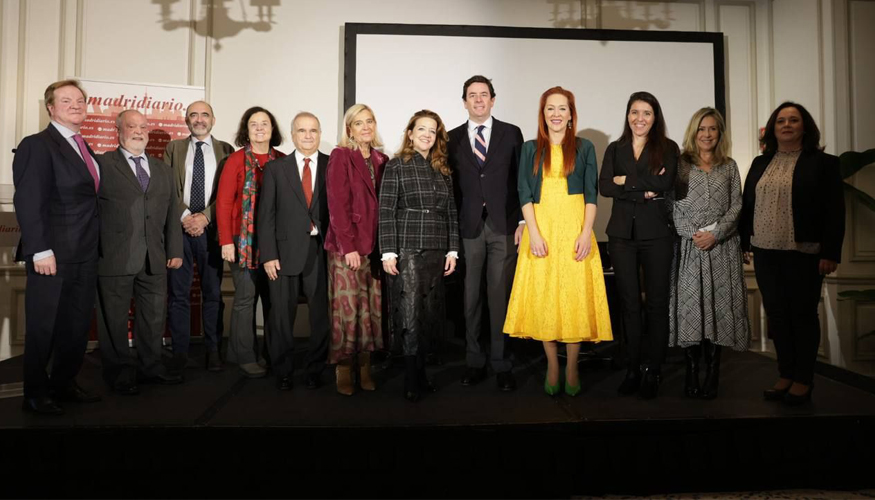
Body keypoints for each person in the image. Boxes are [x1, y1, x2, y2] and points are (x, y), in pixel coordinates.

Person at [503, 86, 612, 396]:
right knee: (546, 300)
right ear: (543, 113)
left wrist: (585, 233)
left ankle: (573, 365)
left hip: (575, 228)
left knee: (574, 299)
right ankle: (552, 364)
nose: (555, 113)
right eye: (550, 108)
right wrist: (533, 232)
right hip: (542, 230)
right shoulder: (529, 149)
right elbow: (524, 192)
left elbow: (591, 194)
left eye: (562, 108)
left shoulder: (585, 147)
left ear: (570, 114)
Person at [740, 102, 845, 406]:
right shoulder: (761, 162)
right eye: (781, 121)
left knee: (802, 316)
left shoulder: (824, 163)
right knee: (777, 315)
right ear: (773, 128)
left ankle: (803, 378)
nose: (786, 125)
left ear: (804, 126)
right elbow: (749, 203)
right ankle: (785, 373)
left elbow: (834, 212)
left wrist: (830, 252)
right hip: (765, 250)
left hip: (805, 252)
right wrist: (745, 241)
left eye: (793, 120)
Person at [13, 79, 102, 414]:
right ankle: (35, 394)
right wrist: (39, 249)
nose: (76, 104)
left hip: (86, 253)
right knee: (43, 327)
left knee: (76, 327)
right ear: (50, 107)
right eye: (67, 100)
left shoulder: (84, 146)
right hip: (52, 255)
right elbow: (28, 200)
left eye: (80, 99)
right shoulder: (37, 145)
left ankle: (63, 383)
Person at [95, 109, 184, 394]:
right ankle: (119, 373)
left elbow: (172, 214)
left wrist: (175, 249)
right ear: (118, 130)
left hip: (155, 258)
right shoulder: (102, 165)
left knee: (153, 317)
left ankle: (151, 368)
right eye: (132, 126)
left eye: (143, 126)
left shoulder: (163, 170)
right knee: (114, 321)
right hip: (114, 257)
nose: (139, 131)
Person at [599, 91, 678, 400]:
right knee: (630, 306)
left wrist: (625, 182)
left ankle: (653, 370)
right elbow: (605, 186)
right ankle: (632, 368)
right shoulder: (615, 148)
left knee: (657, 305)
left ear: (655, 117)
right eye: (634, 112)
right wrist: (642, 184)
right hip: (621, 236)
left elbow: (665, 183)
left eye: (646, 113)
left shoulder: (668, 148)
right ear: (627, 115)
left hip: (657, 235)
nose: (639, 118)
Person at [667, 107, 750, 399]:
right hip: (690, 248)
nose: (707, 134)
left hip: (721, 249)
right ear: (694, 132)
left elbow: (737, 205)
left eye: (712, 129)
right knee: (692, 309)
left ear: (719, 133)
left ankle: (713, 372)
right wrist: (694, 234)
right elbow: (672, 204)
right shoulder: (680, 165)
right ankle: (691, 371)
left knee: (717, 308)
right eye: (702, 129)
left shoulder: (729, 166)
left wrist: (715, 234)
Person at [448, 75, 524, 392]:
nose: (478, 100)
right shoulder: (451, 138)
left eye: (484, 95)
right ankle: (474, 361)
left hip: (503, 226)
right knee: (470, 298)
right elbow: (450, 188)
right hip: (468, 228)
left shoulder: (511, 133)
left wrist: (522, 221)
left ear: (493, 100)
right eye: (472, 95)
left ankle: (501, 362)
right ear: (464, 101)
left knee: (499, 296)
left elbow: (522, 180)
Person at [379, 109, 460, 402]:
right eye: (421, 129)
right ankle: (411, 379)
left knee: (429, 314)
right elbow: (386, 210)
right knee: (411, 313)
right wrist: (388, 251)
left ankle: (422, 373)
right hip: (409, 246)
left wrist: (453, 249)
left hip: (438, 247)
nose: (426, 134)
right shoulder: (397, 165)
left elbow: (451, 211)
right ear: (410, 133)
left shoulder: (443, 168)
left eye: (432, 130)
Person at [258, 112, 331, 391]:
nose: (308, 136)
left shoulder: (331, 164)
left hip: (320, 251)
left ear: (320, 132)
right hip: (283, 253)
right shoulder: (277, 169)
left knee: (320, 316)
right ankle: (283, 370)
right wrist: (268, 255)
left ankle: (315, 369)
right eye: (302, 131)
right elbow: (267, 215)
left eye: (313, 130)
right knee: (281, 317)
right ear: (293, 134)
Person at [164, 101, 234, 375]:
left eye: (204, 114)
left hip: (212, 229)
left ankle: (213, 350)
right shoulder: (174, 148)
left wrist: (205, 216)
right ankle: (180, 352)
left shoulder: (226, 150)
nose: (199, 119)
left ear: (213, 120)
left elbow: (229, 194)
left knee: (213, 293)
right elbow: (167, 188)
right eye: (193, 114)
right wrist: (186, 217)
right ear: (186, 120)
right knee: (178, 294)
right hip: (180, 231)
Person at [324, 104, 390, 395]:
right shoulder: (341, 156)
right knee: (347, 313)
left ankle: (365, 366)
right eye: (358, 123)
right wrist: (348, 246)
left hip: (374, 247)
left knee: (371, 311)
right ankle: (344, 368)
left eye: (369, 121)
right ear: (349, 128)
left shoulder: (381, 158)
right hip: (346, 248)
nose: (365, 127)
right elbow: (337, 206)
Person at [216, 106, 285, 379]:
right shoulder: (235, 160)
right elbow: (223, 203)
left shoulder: (281, 160)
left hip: (272, 242)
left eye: (264, 123)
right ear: (246, 130)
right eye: (253, 124)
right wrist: (226, 241)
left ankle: (270, 352)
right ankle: (244, 355)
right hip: (240, 239)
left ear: (272, 129)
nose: (259, 128)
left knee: (272, 300)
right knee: (245, 299)